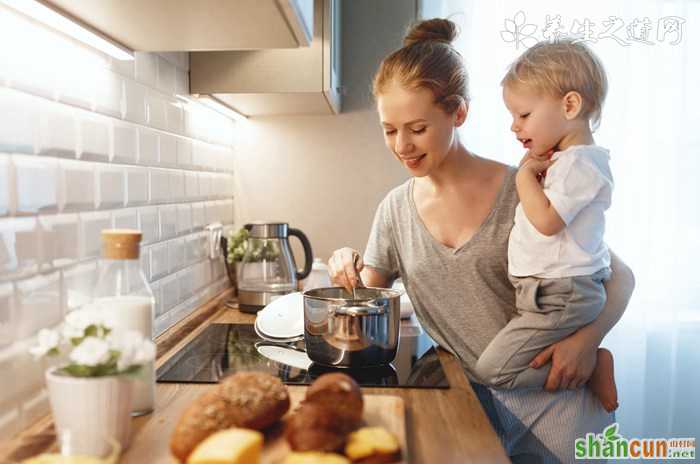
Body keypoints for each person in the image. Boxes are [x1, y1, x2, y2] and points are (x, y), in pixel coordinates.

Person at [328, 18, 635, 463]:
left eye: (417, 128)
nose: (402, 146)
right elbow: (365, 300)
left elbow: (619, 277)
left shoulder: (526, 187)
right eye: (389, 129)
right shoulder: (395, 211)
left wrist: (588, 343)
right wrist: (345, 263)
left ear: (458, 113)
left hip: (560, 400)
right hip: (475, 409)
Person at [473, 40, 618, 413]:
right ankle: (588, 366)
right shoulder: (567, 162)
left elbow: (548, 222)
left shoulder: (581, 164)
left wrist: (523, 178)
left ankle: (589, 371)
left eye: (523, 114)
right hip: (547, 293)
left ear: (570, 105)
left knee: (493, 371)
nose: (514, 126)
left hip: (561, 294)